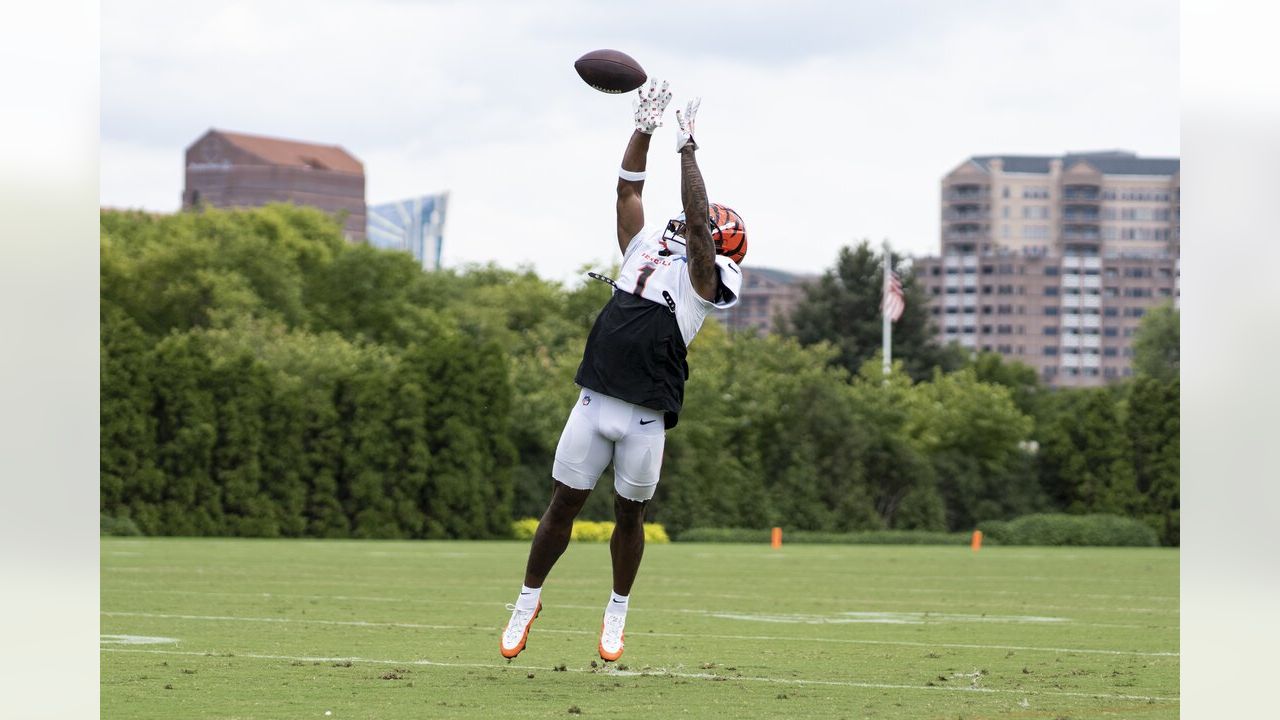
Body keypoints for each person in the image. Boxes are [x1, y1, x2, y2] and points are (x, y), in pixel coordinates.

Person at [500, 79, 747, 663]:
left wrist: (688, 151)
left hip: (644, 414)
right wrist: (644, 127)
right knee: (562, 504)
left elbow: (695, 226)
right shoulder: (642, 248)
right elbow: (626, 189)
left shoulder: (707, 279)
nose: (686, 225)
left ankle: (616, 612)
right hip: (595, 396)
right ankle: (526, 599)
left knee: (628, 515)